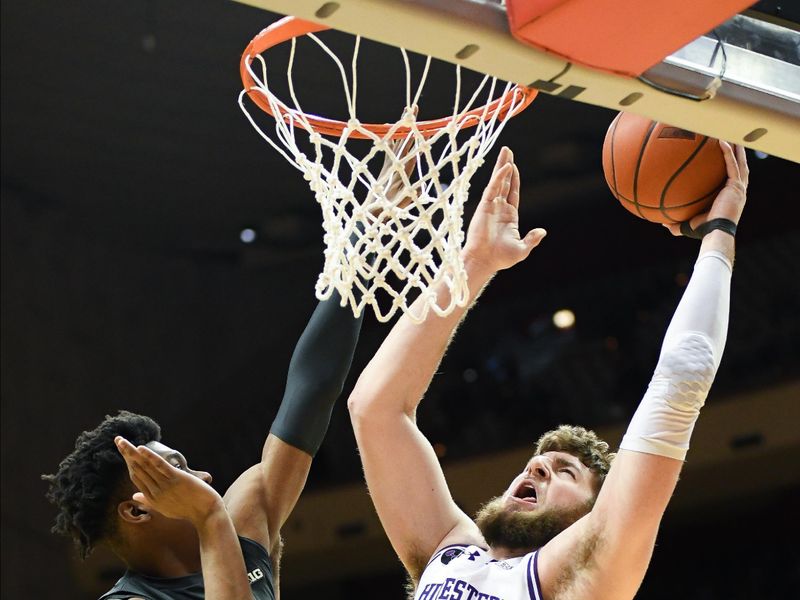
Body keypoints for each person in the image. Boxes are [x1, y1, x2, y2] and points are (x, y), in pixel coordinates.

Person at [347, 142, 748, 599]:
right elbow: (375, 409)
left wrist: (719, 231)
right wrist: (474, 263)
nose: (537, 466)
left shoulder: (581, 576)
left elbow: (685, 371)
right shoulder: (450, 553)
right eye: (543, 463)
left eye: (566, 473)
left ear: (592, 515)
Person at [43, 285, 366, 598]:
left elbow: (311, 391)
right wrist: (209, 517)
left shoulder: (242, 521)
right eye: (178, 469)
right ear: (137, 511)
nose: (205, 477)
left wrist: (351, 264)